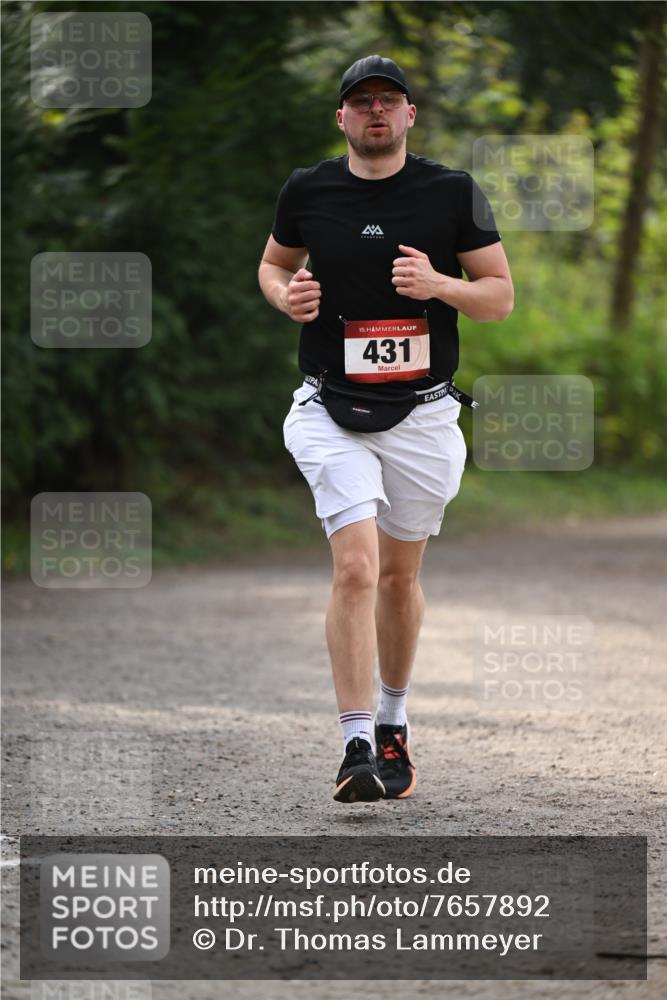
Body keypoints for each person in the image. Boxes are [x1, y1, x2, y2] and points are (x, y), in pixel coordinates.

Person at [258, 55, 513, 804]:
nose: (376, 110)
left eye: (388, 100)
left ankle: (394, 718)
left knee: (400, 578)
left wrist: (438, 285)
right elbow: (272, 266)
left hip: (424, 415)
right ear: (341, 116)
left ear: (409, 115)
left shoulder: (451, 192)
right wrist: (286, 295)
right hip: (329, 409)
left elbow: (498, 297)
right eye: (361, 100)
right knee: (356, 569)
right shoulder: (307, 190)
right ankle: (356, 743)